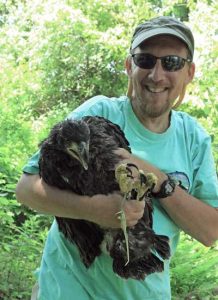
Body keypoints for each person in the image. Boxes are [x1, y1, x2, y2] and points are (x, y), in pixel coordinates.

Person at [16, 16, 218, 300]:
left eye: (171, 62)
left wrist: (158, 179)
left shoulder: (194, 139)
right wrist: (94, 209)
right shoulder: (96, 115)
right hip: (67, 290)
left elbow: (210, 231)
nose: (157, 75)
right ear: (129, 66)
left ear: (190, 72)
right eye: (145, 60)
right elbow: (26, 190)